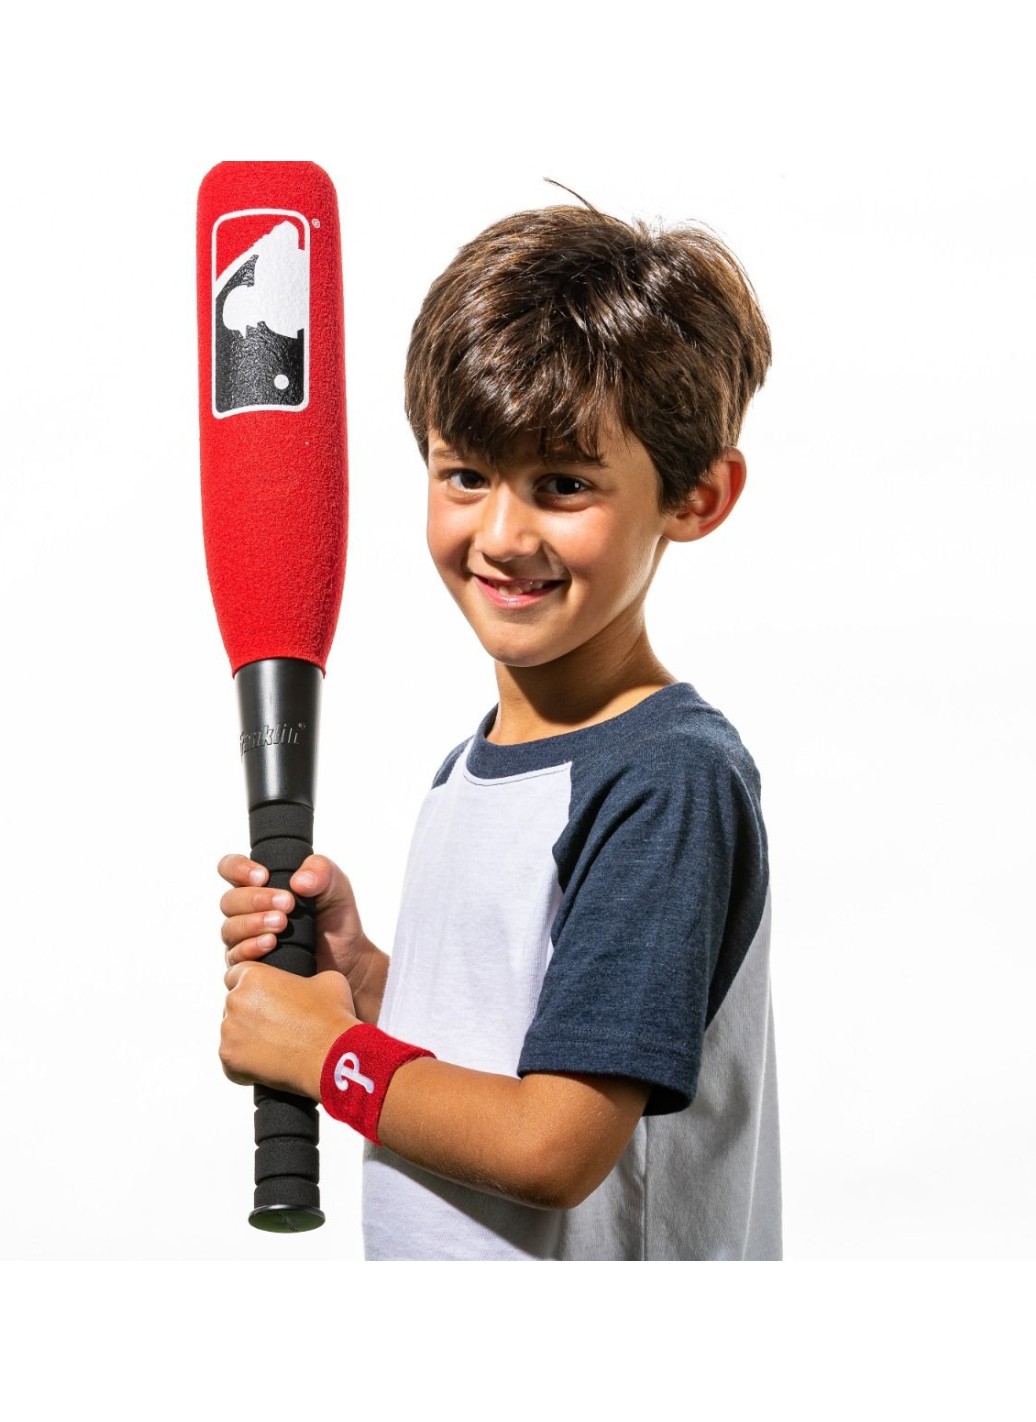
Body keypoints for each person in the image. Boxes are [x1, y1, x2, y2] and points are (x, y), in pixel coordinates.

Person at [217, 200, 781, 1260]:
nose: (504, 534)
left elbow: (552, 1147)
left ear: (696, 496)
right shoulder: (470, 769)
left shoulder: (665, 778)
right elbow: (497, 1052)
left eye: (563, 484)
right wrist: (367, 982)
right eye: (465, 475)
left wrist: (327, 1056)